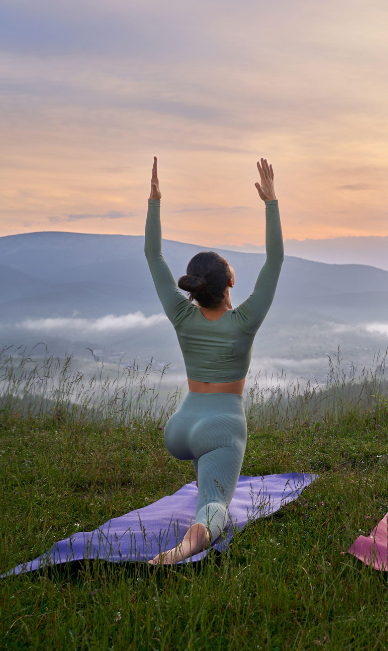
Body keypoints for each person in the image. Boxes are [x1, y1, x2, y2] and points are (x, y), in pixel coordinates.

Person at [144, 156, 283, 565]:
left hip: (181, 427)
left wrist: (154, 202)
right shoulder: (244, 322)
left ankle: (201, 493)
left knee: (209, 470)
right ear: (230, 283)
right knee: (214, 505)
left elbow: (153, 257)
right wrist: (271, 202)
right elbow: (274, 262)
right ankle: (183, 549)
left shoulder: (182, 314)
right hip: (221, 426)